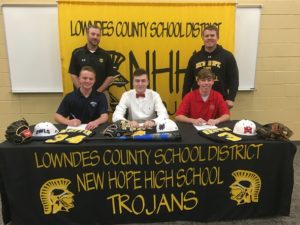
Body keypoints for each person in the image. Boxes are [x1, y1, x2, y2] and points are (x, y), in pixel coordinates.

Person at [182, 25, 239, 109]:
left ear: (217, 37)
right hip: (197, 101)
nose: (209, 38)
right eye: (207, 36)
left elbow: (234, 79)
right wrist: (185, 98)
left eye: (212, 35)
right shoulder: (195, 58)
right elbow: (188, 80)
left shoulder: (227, 56)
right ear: (203, 38)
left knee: (220, 122)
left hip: (220, 101)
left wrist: (231, 98)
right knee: (197, 122)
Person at [54, 66, 108, 130]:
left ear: (94, 80)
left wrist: (96, 122)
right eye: (84, 78)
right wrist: (68, 122)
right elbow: (57, 116)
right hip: (75, 130)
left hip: (95, 130)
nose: (87, 81)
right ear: (79, 79)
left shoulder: (101, 96)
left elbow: (105, 116)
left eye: (91, 79)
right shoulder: (70, 97)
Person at [69, 24, 116, 94]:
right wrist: (81, 91)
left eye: (98, 35)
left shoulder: (106, 55)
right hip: (80, 94)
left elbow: (110, 76)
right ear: (87, 35)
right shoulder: (77, 53)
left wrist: (98, 92)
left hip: (101, 93)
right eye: (93, 34)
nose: (95, 37)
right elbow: (73, 74)